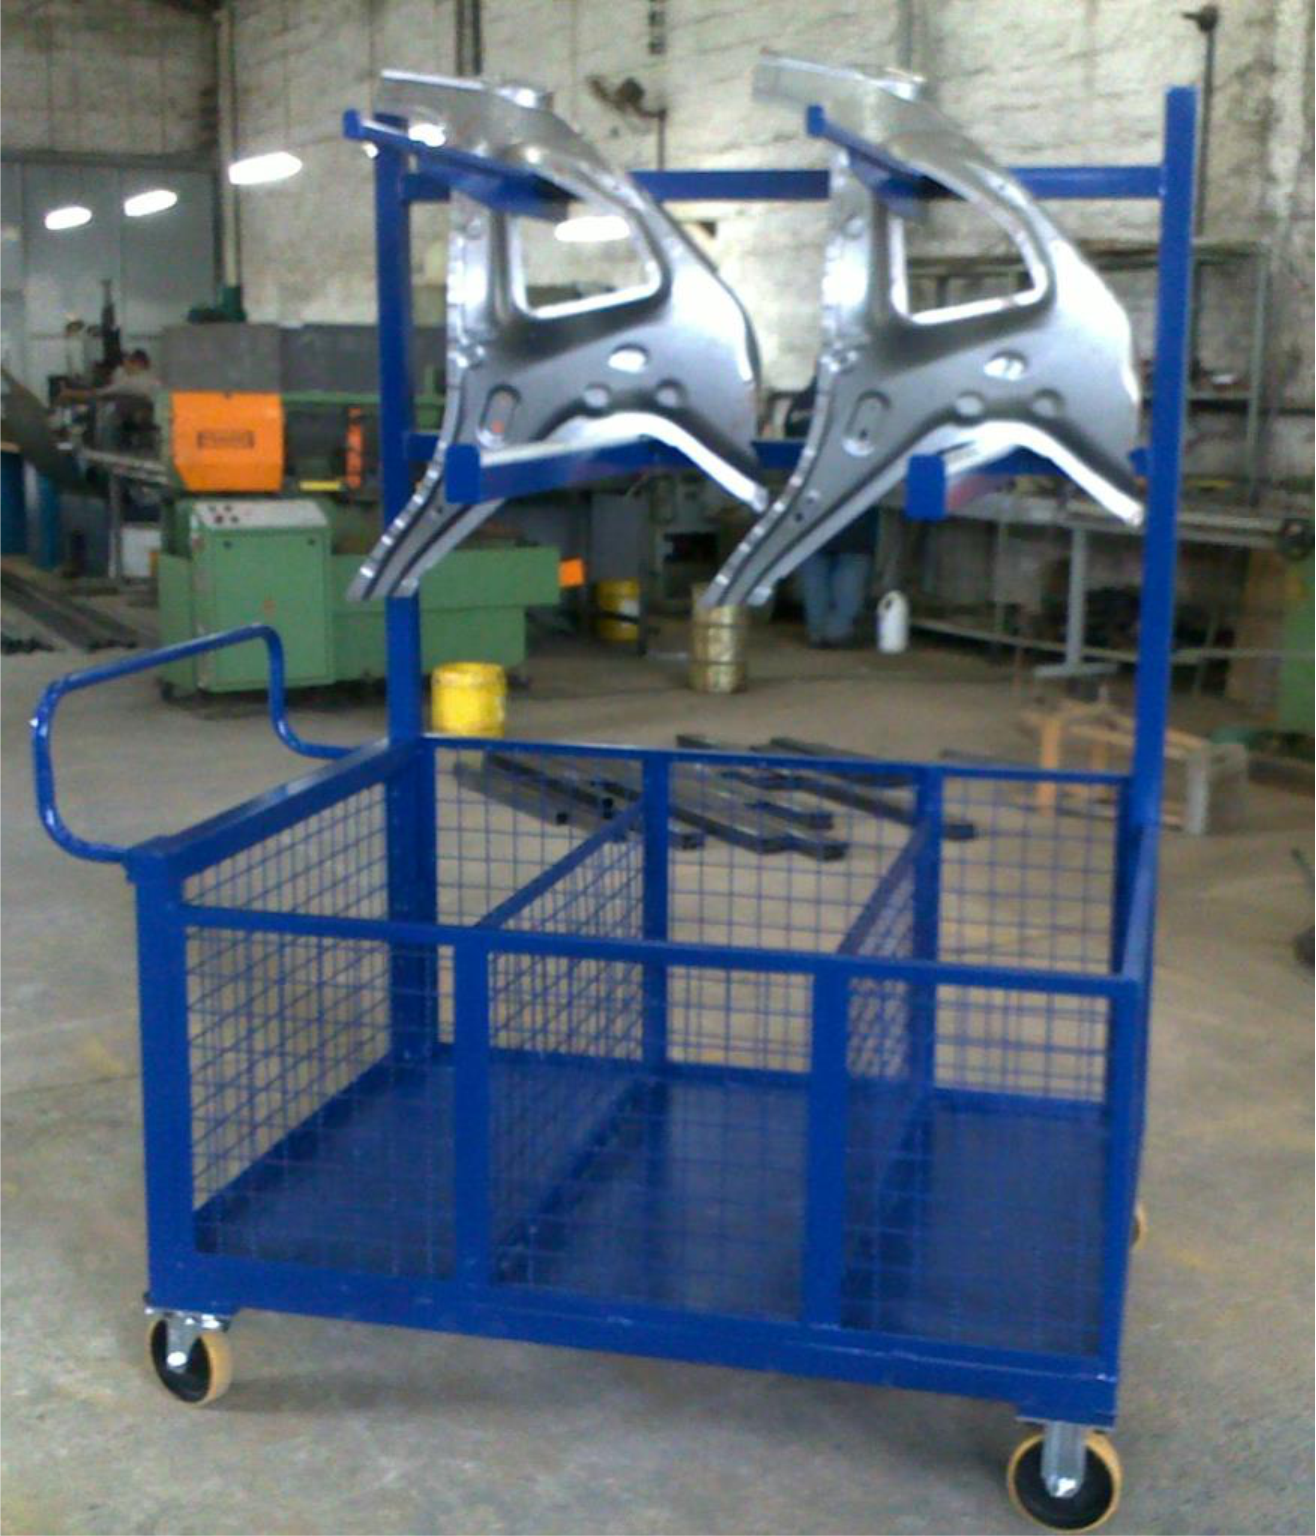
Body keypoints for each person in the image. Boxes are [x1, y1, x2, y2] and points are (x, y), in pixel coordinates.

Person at [783, 379, 878, 647]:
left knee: (813, 560)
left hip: (809, 496)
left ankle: (816, 631)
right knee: (851, 560)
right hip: (851, 494)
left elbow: (790, 438)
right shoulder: (863, 399)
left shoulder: (802, 401)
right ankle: (837, 630)